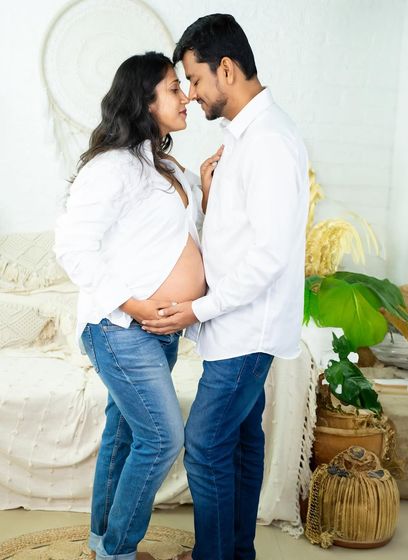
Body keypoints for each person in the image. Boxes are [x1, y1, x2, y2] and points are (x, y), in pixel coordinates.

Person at [141, 15, 309, 560]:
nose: (190, 94)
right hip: (233, 324)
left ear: (227, 69)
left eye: (194, 79)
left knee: (207, 444)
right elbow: (240, 236)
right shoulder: (241, 136)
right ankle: (237, 551)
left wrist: (197, 309)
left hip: (245, 328)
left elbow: (268, 257)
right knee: (239, 441)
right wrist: (210, 199)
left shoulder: (270, 142)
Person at [54, 52, 221, 560]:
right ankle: (119, 552)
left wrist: (206, 195)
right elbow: (71, 247)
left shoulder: (164, 164)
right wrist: (135, 305)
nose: (187, 94)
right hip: (120, 328)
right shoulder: (112, 167)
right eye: (174, 88)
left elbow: (171, 241)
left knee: (125, 433)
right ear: (144, 101)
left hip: (157, 331)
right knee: (162, 439)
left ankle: (101, 540)